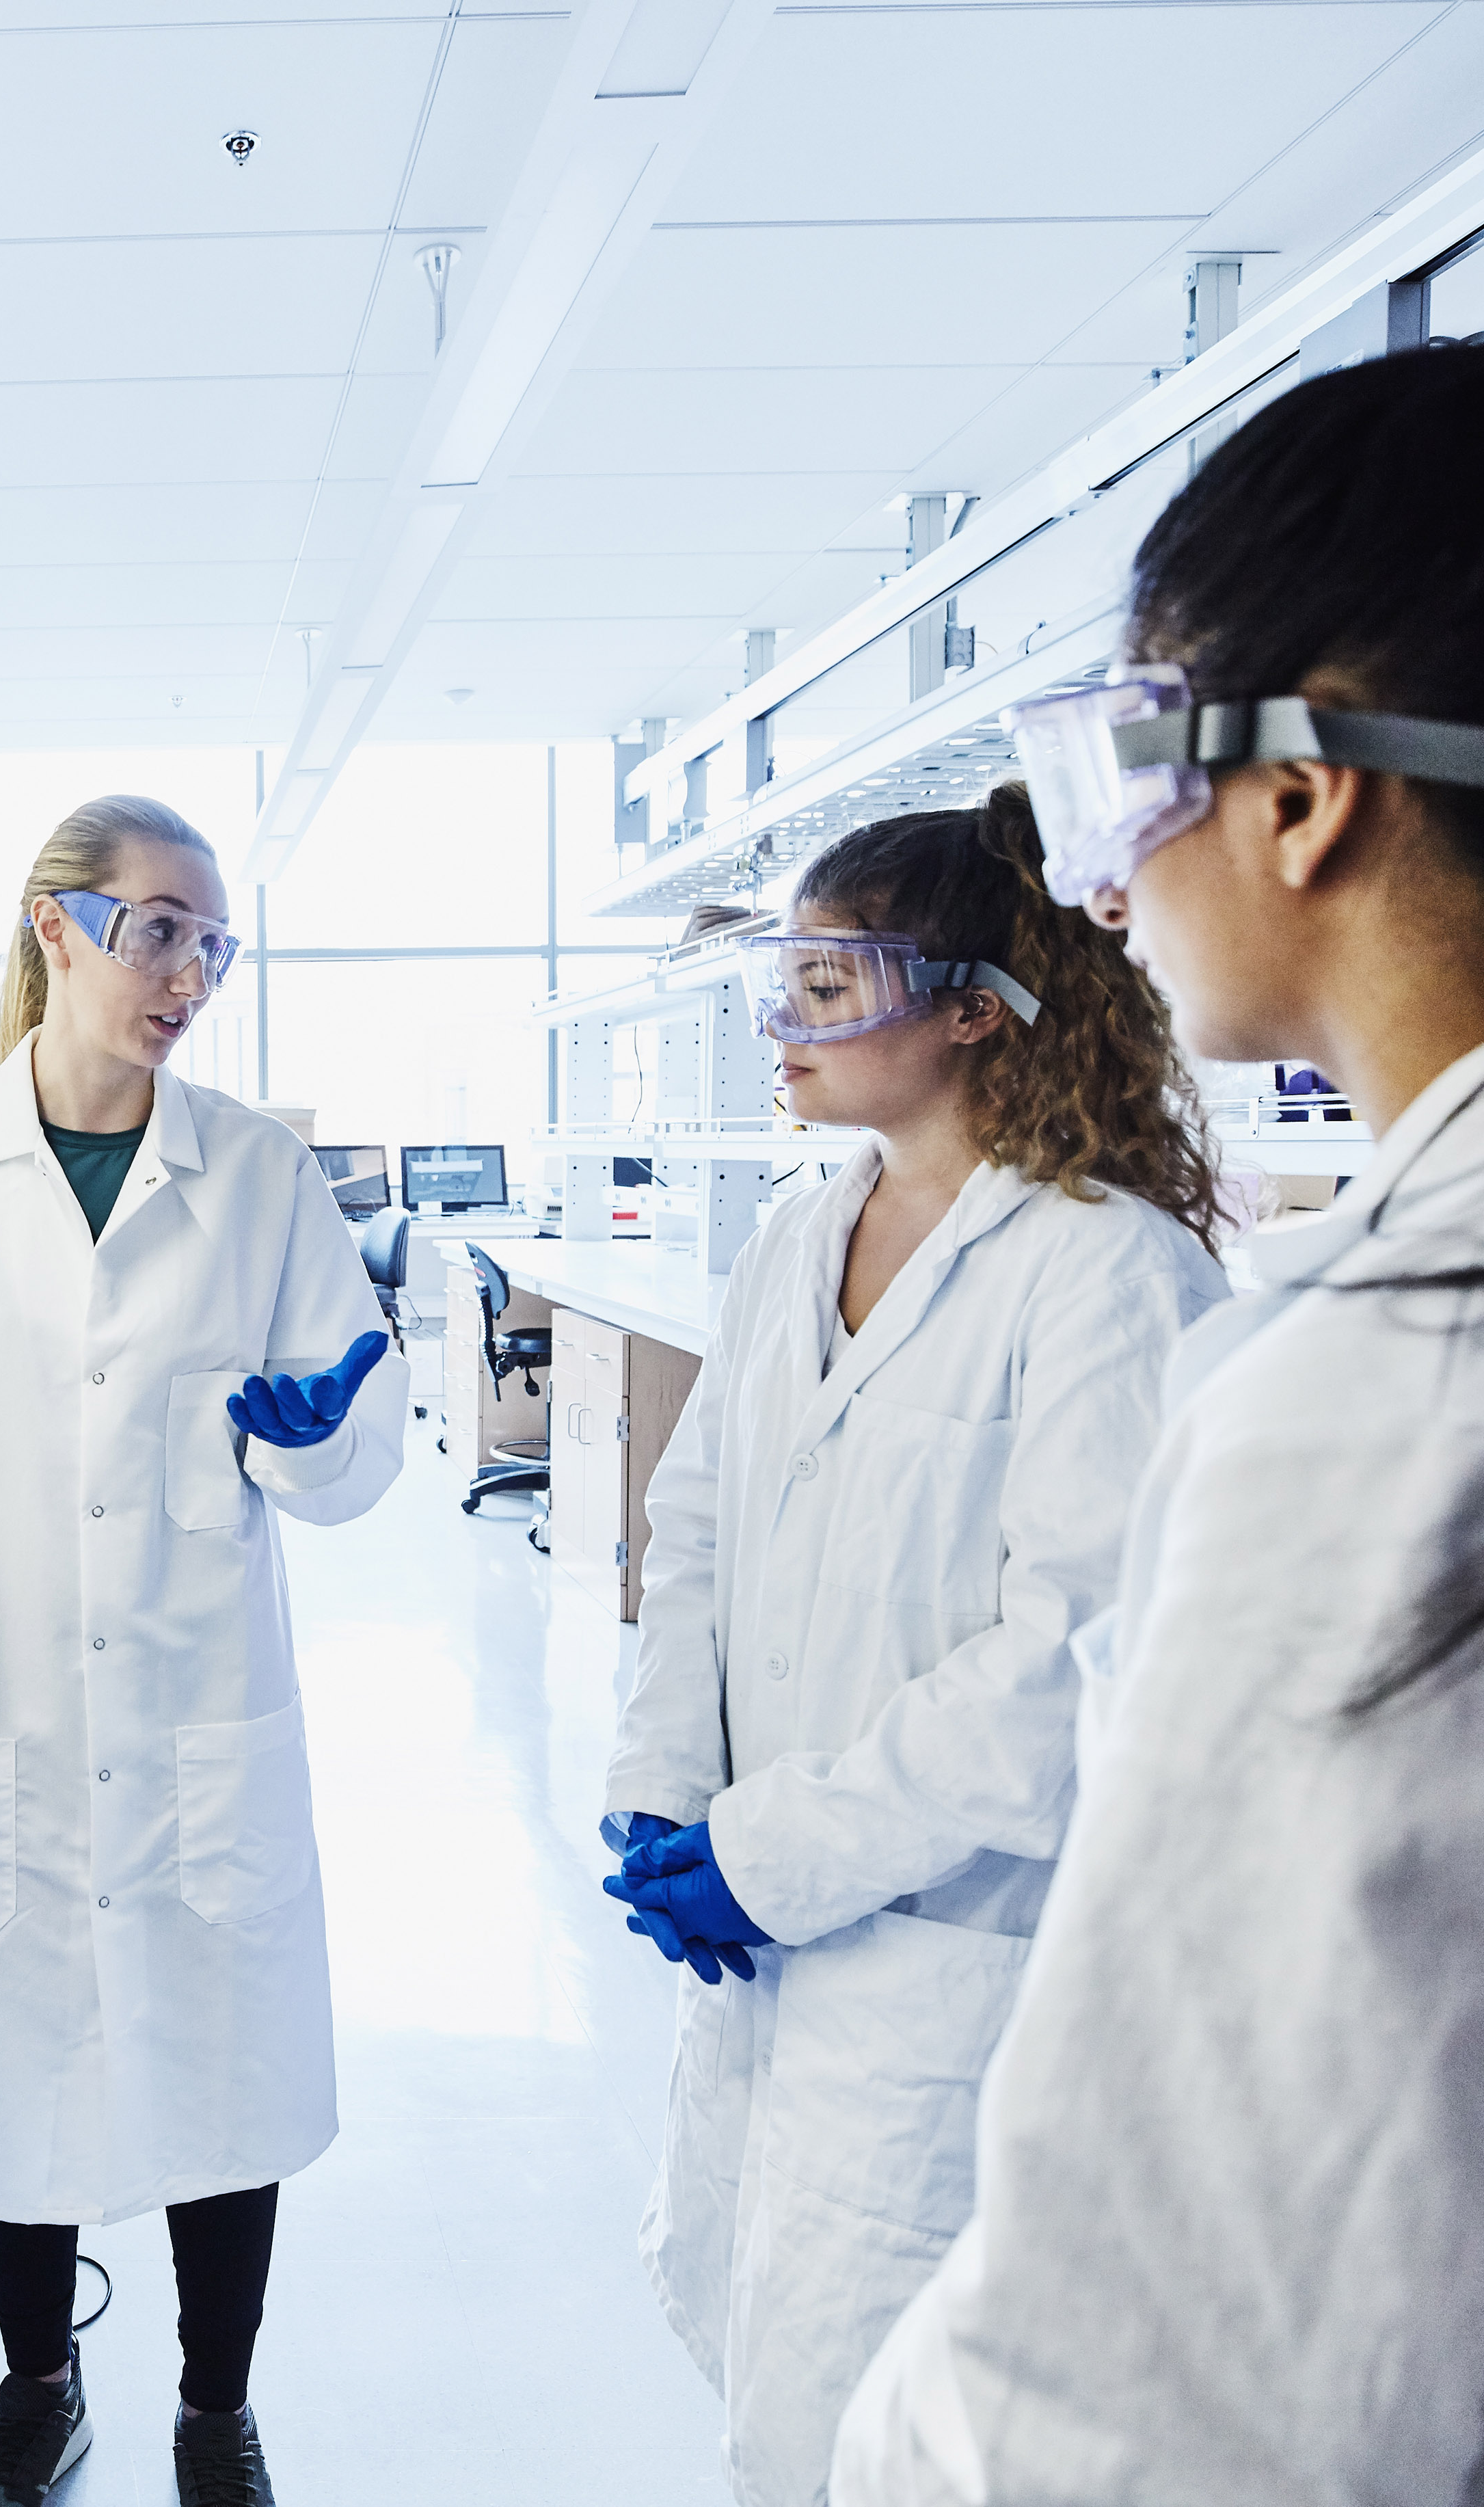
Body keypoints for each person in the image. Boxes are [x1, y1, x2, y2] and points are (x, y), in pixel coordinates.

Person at [831, 196, 1484, 2506]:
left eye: (1137, 737)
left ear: (1303, 787)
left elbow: (1153, 2417)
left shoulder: (1438, 1401)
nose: (1104, 850)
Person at [0, 794, 403, 2507]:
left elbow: (353, 1459)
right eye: (159, 930)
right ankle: (42, 2387)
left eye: (211, 940)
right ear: (56, 928)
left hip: (201, 1713)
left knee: (220, 2072)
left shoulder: (258, 1173)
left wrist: (318, 1429)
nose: (189, 972)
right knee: (11, 2070)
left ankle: (215, 2411)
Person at [597, 788, 1228, 2506]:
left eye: (827, 978)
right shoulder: (802, 1236)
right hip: (778, 1949)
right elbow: (703, 1526)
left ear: (968, 1002)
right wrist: (666, 1791)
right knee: (779, 2383)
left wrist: (772, 1853)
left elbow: (1066, 1672)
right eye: (783, 977)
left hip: (950, 1968)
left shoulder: (1110, 1273)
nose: (784, 1022)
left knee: (900, 2434)